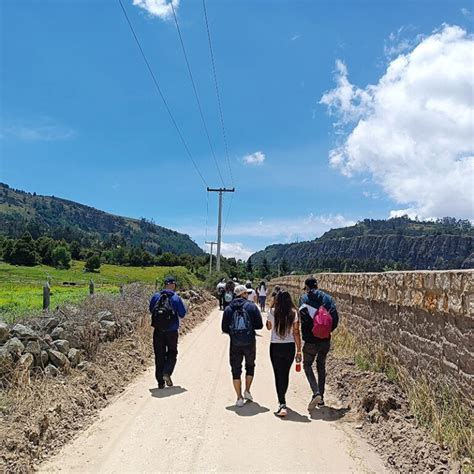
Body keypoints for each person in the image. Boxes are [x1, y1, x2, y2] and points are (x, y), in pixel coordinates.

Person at [299, 277, 339, 409]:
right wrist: (326, 331)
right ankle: (321, 398)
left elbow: (303, 320)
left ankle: (315, 391)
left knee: (307, 365)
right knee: (321, 366)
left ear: (307, 287)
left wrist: (309, 334)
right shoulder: (328, 299)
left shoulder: (304, 299)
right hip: (325, 340)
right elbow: (335, 319)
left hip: (310, 341)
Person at [222, 284, 263, 407]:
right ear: (244, 294)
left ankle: (239, 398)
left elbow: (224, 328)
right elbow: (259, 325)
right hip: (250, 342)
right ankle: (247, 391)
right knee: (250, 366)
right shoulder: (251, 307)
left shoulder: (229, 308)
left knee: (236, 369)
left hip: (235, 343)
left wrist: (234, 332)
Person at [266, 291, 302, 417]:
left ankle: (282, 403)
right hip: (289, 346)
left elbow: (269, 327)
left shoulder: (272, 312)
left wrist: (271, 306)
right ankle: (283, 401)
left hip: (275, 346)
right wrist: (299, 350)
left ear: (277, 300)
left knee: (277, 374)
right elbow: (296, 332)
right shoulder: (294, 313)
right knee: (285, 374)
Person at [149, 276, 187, 389]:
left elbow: (151, 310)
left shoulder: (156, 296)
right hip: (171, 331)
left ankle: (160, 382)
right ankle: (167, 372)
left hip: (158, 330)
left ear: (165, 285)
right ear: (174, 285)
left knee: (159, 355)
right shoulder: (176, 298)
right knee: (172, 353)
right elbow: (182, 314)